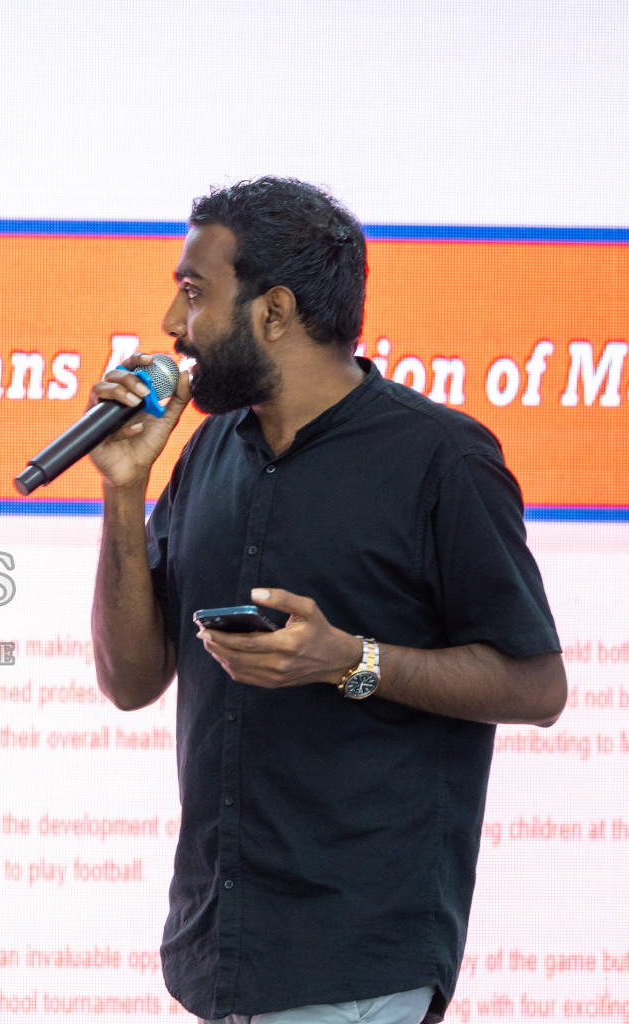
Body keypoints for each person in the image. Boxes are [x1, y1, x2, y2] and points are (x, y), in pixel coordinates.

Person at [88, 177, 566, 1024]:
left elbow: (537, 687)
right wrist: (124, 489)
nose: (171, 326)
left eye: (193, 294)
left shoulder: (440, 459)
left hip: (355, 961)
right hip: (220, 951)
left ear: (274, 312)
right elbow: (130, 682)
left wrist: (350, 660)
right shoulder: (207, 454)